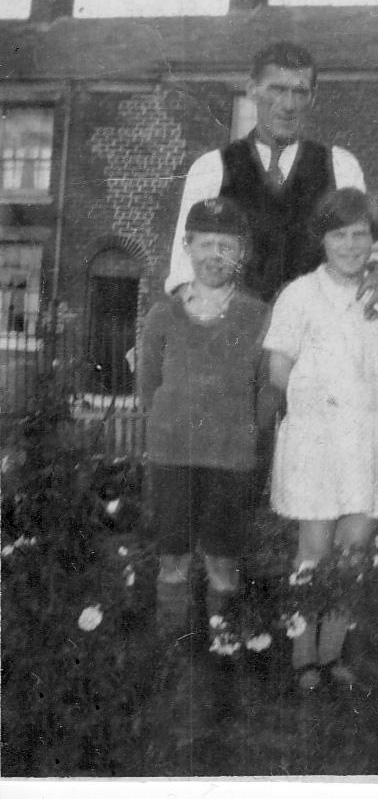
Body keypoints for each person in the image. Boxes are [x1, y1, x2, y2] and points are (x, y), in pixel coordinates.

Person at [262, 188, 378, 692]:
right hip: (318, 439)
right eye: (339, 235)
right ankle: (302, 655)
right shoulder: (300, 295)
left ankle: (333, 654)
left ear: (374, 241)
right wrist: (323, 396)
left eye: (360, 235)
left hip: (369, 440)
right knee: (314, 548)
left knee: (355, 550)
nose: (350, 246)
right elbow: (279, 370)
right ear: (322, 240)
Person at [165, 40, 378, 316]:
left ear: (312, 97)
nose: (288, 104)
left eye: (300, 92)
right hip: (235, 332)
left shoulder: (341, 166)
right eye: (276, 89)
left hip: (315, 334)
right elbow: (184, 268)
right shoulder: (212, 167)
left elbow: (366, 249)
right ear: (252, 89)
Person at [138, 198, 268, 640]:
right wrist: (167, 425)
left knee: (222, 559)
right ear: (188, 247)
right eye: (206, 244)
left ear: (241, 253)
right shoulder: (162, 315)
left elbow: (269, 389)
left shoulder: (257, 316)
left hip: (230, 459)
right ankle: (170, 645)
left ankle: (222, 643)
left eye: (226, 246)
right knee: (172, 556)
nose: (216, 255)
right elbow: (147, 386)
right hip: (173, 454)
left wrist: (248, 431)